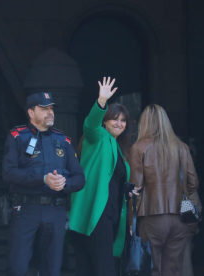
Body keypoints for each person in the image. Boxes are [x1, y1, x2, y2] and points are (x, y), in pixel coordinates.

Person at [2, 92, 85, 276]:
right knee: (17, 268)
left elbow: (80, 178)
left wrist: (64, 183)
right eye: (44, 108)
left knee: (52, 269)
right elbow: (8, 173)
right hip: (25, 209)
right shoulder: (17, 137)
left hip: (55, 211)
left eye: (51, 108)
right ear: (31, 113)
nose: (50, 112)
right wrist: (42, 179)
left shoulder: (63, 140)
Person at [69, 77, 135, 276]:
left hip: (111, 214)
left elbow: (115, 181)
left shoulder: (119, 147)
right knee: (104, 269)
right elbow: (90, 125)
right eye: (115, 118)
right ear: (105, 121)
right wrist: (101, 102)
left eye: (123, 120)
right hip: (96, 213)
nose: (119, 123)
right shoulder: (97, 137)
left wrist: (129, 190)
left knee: (95, 268)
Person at [129, 104, 200, 276]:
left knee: (152, 269)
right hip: (180, 218)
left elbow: (134, 190)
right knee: (173, 269)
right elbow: (193, 184)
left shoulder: (138, 148)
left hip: (151, 218)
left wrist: (131, 221)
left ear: (144, 123)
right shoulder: (181, 147)